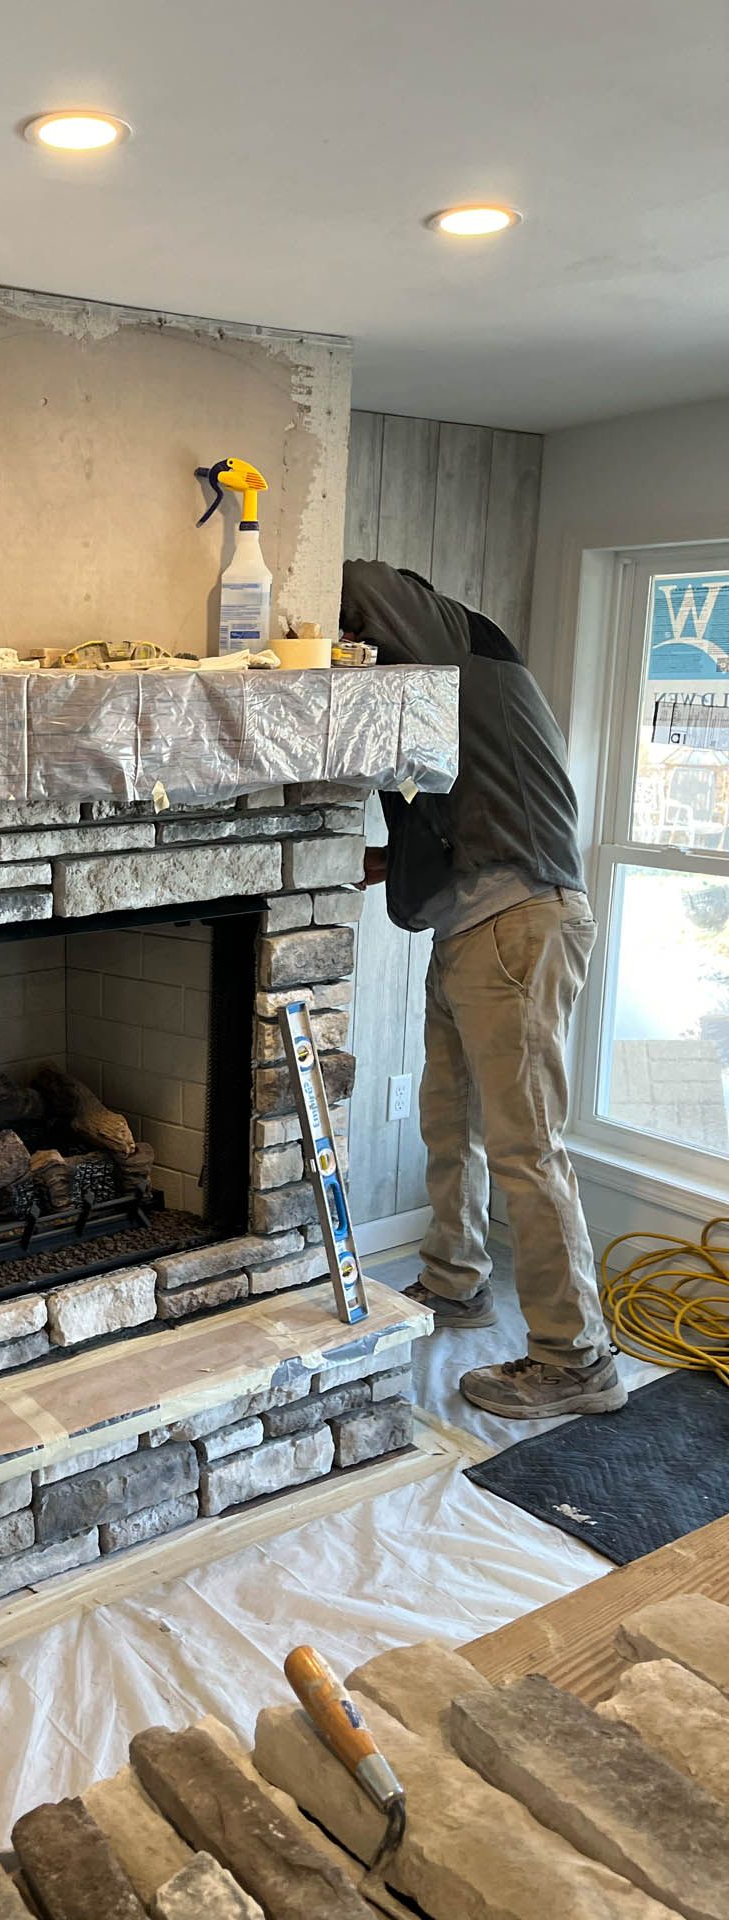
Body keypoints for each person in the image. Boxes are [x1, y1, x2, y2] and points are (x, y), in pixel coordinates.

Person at [339, 558, 624, 1418]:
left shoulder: (467, 649)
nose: (363, 645)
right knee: (449, 1122)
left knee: (526, 1147)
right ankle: (456, 1282)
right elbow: (467, 822)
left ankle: (577, 1359)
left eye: (367, 639)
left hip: (518, 924)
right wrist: (382, 863)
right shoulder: (459, 699)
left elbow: (356, 577)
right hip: (476, 926)